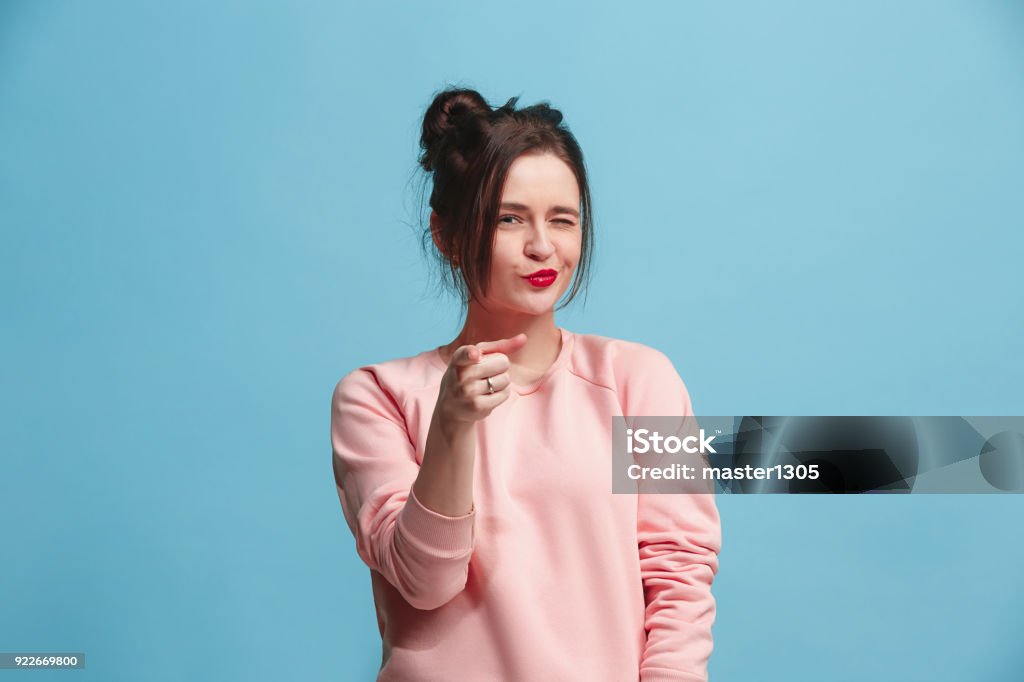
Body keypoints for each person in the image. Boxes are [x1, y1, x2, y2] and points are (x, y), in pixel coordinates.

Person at [330, 87, 722, 682]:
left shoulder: (641, 381)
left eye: (562, 219)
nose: (543, 246)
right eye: (510, 218)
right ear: (447, 234)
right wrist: (453, 427)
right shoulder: (376, 396)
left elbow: (678, 572)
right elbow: (425, 582)